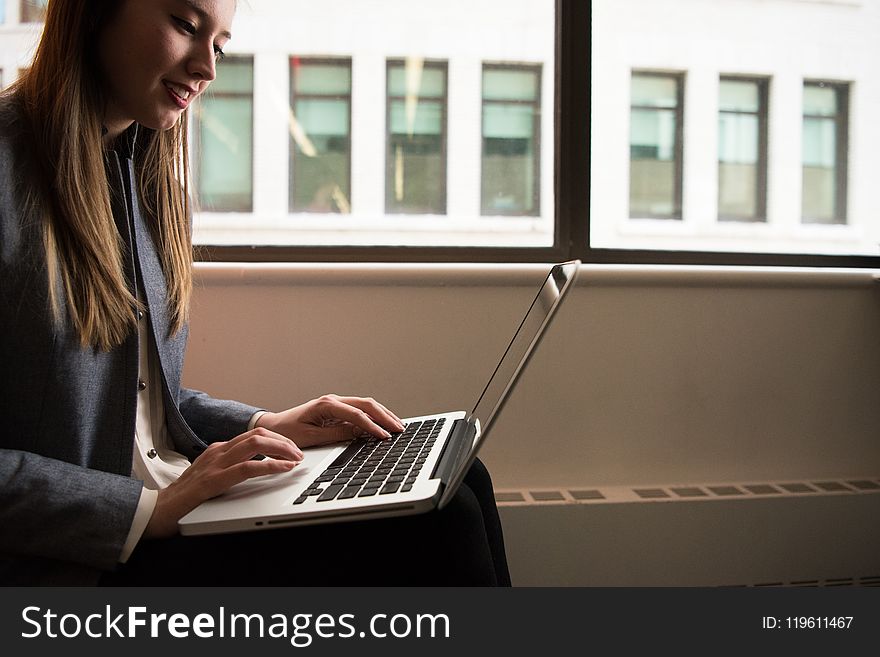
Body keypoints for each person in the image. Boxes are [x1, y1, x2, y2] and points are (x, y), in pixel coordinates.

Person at [0, 0, 510, 586]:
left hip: (167, 505)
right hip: (83, 555)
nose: (206, 69)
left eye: (218, 45)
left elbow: (124, 404)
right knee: (442, 527)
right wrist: (147, 510)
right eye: (186, 27)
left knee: (462, 481)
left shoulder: (135, 170)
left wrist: (267, 422)